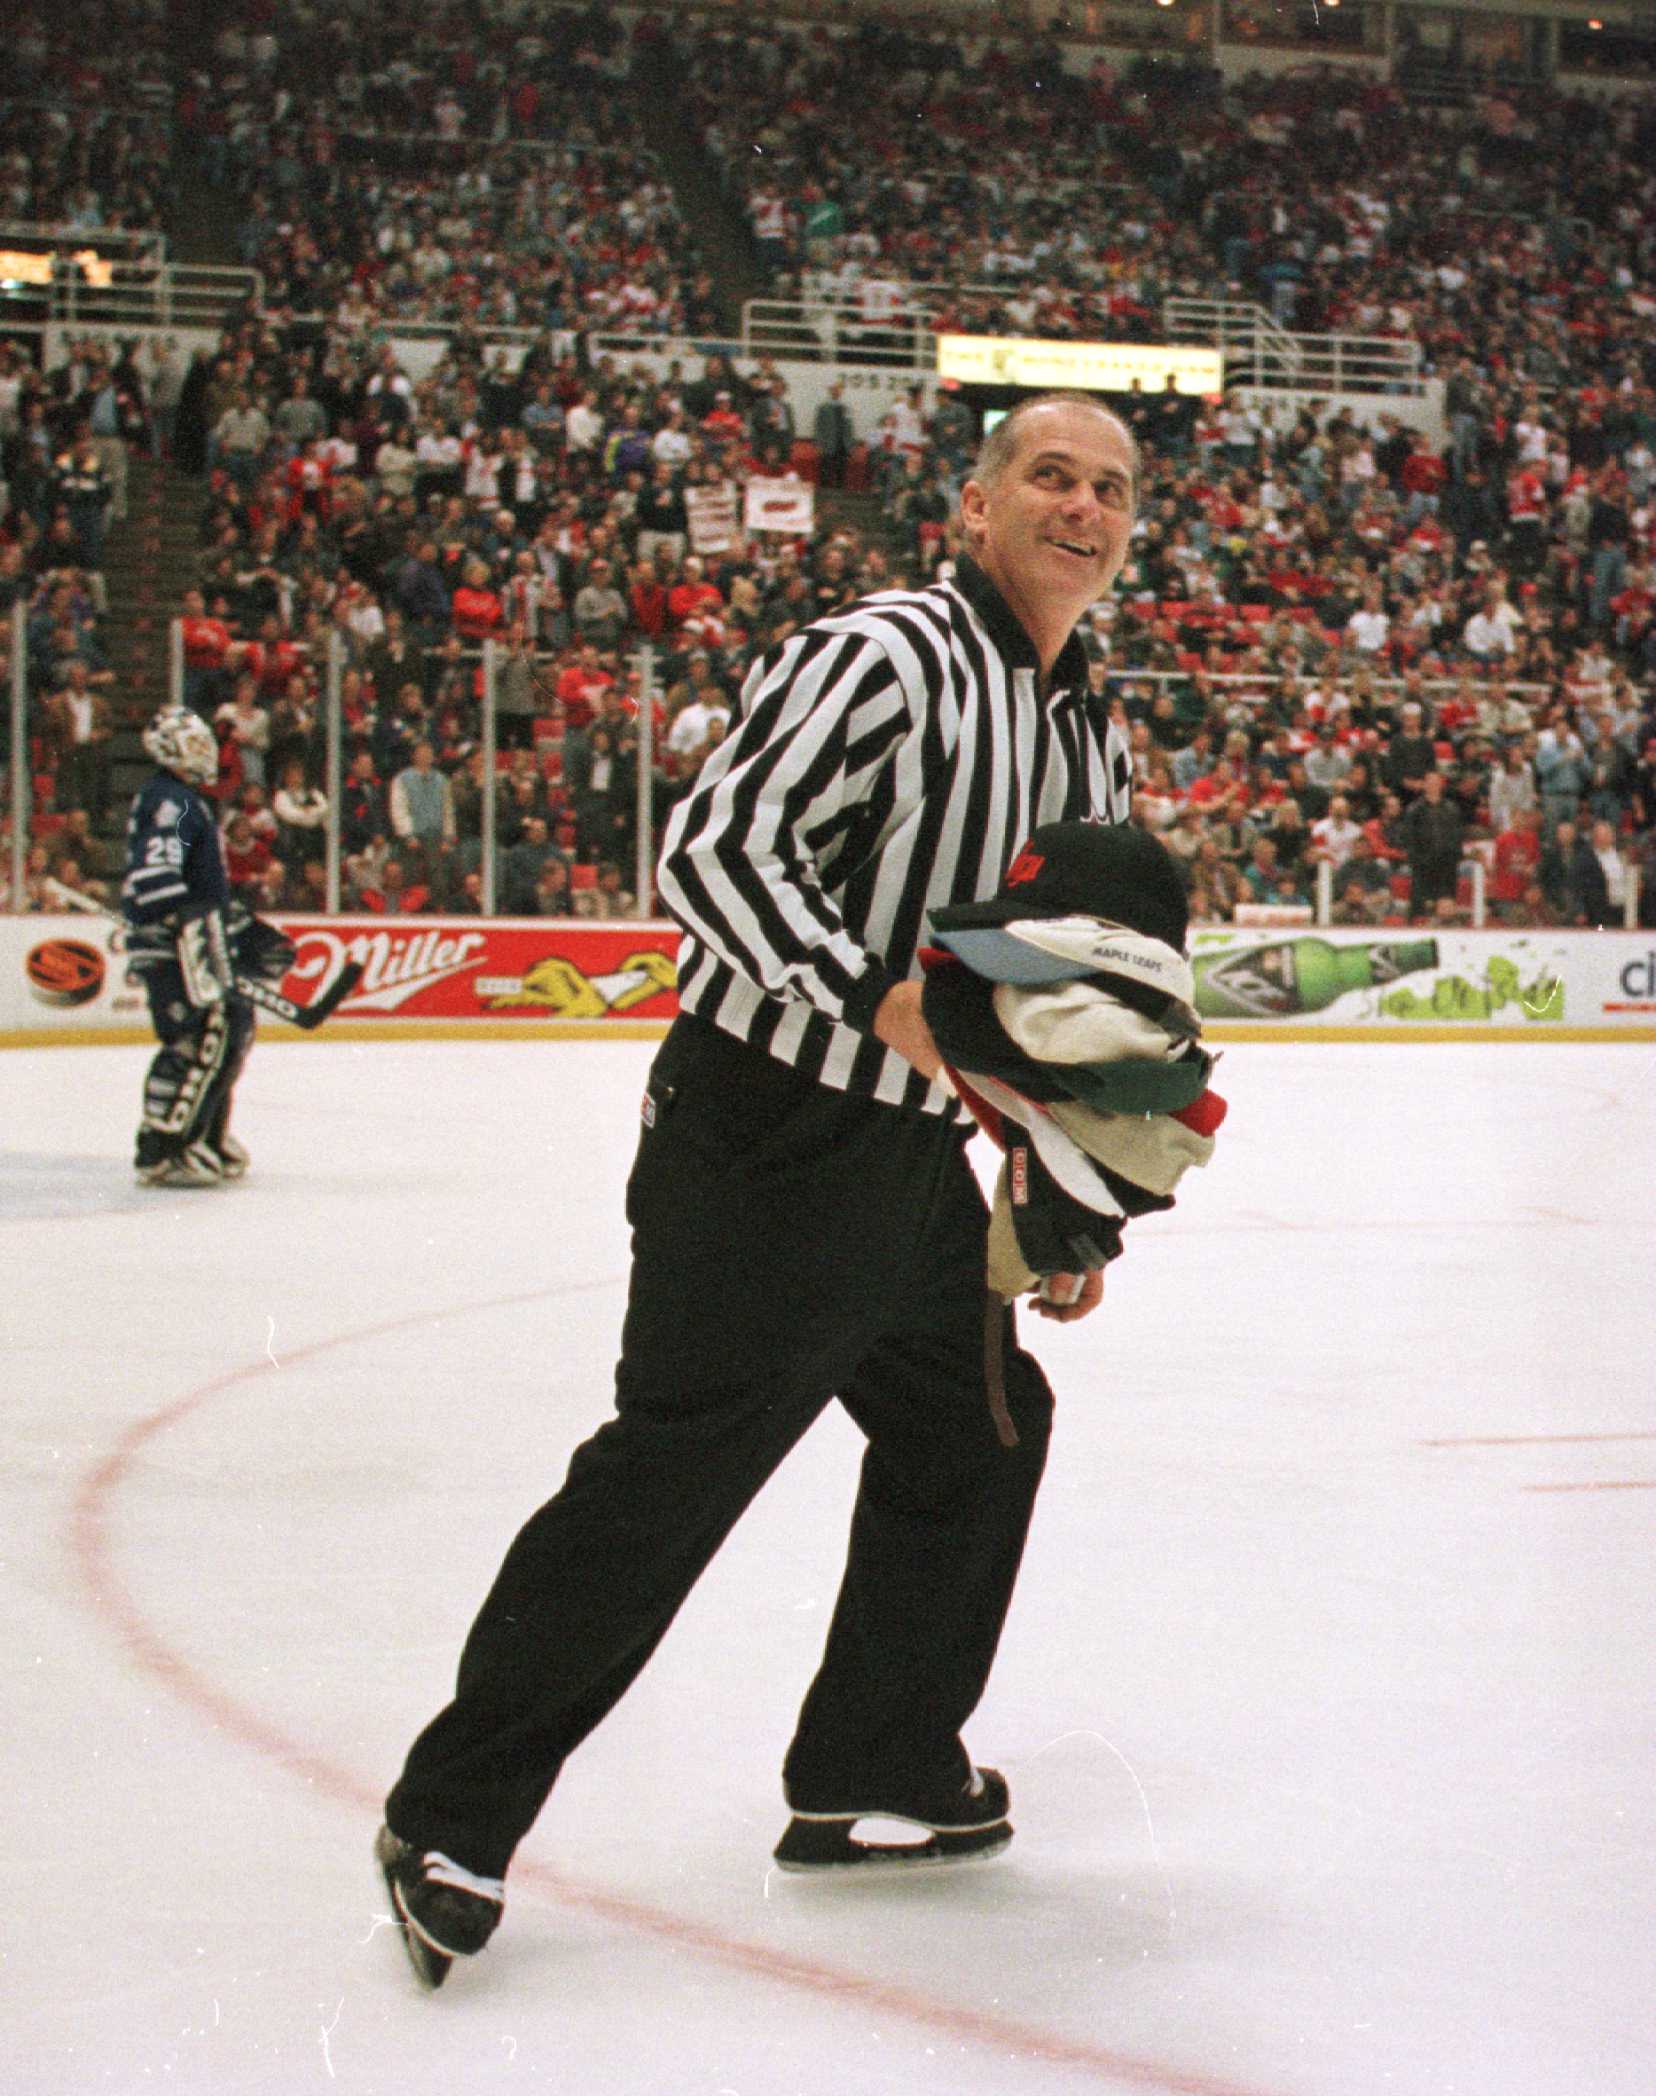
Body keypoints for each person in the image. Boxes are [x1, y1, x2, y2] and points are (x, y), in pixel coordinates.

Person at [376, 391, 1141, 1986]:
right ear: (978, 508)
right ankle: (450, 1808)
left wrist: (1073, 1180)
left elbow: (1067, 974)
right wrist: (881, 996)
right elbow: (714, 856)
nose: (1084, 506)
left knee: (978, 1420)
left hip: (910, 1155)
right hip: (768, 1132)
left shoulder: (1090, 727)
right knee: (682, 1465)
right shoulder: (884, 655)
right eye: (1051, 477)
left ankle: (876, 1756)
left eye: (1112, 488)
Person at [121, 708, 256, 1186]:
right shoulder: (173, 802)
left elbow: (189, 877)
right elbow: (158, 872)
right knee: (195, 1034)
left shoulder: (185, 801)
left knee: (232, 1022)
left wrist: (228, 920)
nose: (206, 755)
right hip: (176, 942)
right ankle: (162, 1147)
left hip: (196, 937)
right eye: (195, 745)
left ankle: (203, 1132)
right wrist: (184, 916)